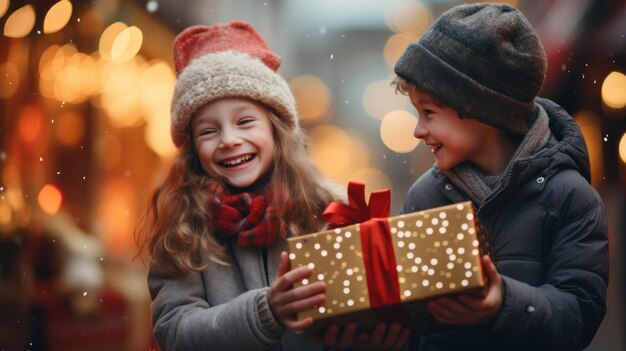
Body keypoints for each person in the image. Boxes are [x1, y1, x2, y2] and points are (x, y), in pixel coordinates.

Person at [135, 20, 410, 351]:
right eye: (208, 131)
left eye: (245, 121)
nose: (229, 140)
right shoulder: (183, 228)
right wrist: (266, 313)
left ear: (276, 130)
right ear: (193, 147)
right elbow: (176, 333)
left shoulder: (329, 209)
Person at [391, 3, 609, 351]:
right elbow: (414, 325)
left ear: (481, 108)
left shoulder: (570, 197)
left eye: (428, 112)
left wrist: (503, 303)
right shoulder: (423, 198)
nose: (418, 130)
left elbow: (579, 315)